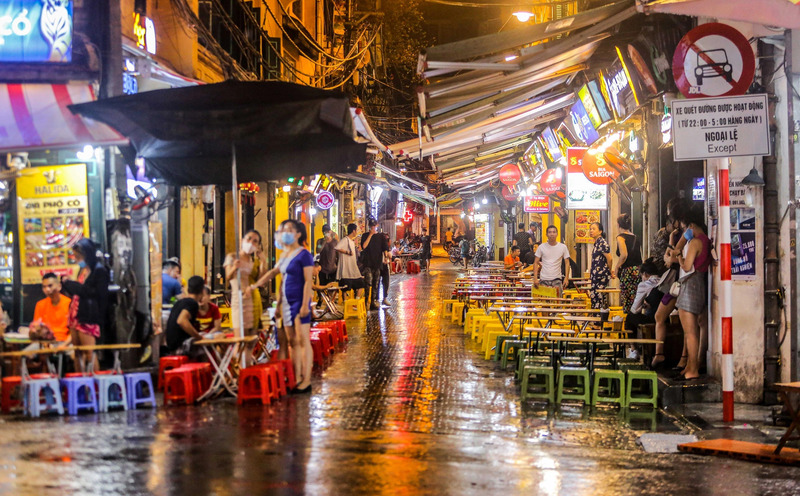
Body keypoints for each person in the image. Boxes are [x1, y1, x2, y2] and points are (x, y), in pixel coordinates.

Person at [274, 219, 314, 394]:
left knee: (303, 341)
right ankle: (296, 377)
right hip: (287, 304)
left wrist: (305, 304)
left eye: (289, 230)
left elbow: (308, 282)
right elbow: (282, 282)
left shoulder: (304, 255)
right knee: (293, 342)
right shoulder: (285, 256)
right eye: (283, 230)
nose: (284, 233)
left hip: (300, 302)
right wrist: (279, 304)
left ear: (298, 234)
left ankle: (306, 380)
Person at [61, 238, 109, 373]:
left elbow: (96, 294)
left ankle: (94, 385)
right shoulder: (82, 270)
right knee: (77, 352)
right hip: (76, 312)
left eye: (79, 256)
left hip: (88, 315)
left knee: (89, 352)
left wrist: (72, 285)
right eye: (75, 256)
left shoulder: (99, 271)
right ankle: (80, 383)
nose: (77, 259)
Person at [675, 206, 712, 381]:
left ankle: (693, 369)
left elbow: (687, 266)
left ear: (691, 225)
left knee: (690, 332)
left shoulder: (696, 242)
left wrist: (680, 258)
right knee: (693, 331)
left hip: (690, 285)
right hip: (700, 285)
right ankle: (690, 366)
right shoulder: (706, 240)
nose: (684, 232)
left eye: (684, 229)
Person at [652, 199, 688, 369]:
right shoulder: (678, 234)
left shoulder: (687, 233)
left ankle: (684, 359)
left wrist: (670, 255)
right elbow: (669, 255)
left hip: (682, 280)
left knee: (687, 322)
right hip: (675, 282)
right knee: (659, 316)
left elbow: (670, 258)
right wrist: (672, 241)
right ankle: (660, 354)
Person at [224, 230, 266, 337]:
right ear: (243, 240)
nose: (251, 242)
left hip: (253, 300)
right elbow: (227, 277)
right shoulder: (232, 257)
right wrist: (234, 267)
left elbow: (261, 281)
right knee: (240, 339)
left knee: (252, 340)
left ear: (257, 246)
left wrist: (263, 263)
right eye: (249, 239)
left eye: (255, 241)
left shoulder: (254, 261)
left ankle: (249, 355)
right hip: (239, 300)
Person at [165, 276, 205, 355]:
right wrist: (198, 337)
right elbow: (181, 320)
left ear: (188, 289)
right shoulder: (192, 303)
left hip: (171, 346)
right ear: (202, 291)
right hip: (180, 347)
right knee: (208, 347)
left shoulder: (180, 302)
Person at [29, 273, 72, 344]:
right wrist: (45, 344)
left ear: (59, 286)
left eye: (50, 286)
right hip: (45, 342)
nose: (47, 289)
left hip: (65, 342)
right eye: (44, 287)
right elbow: (37, 329)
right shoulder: (40, 305)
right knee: (26, 354)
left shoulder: (69, 304)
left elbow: (74, 332)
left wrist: (63, 346)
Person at [612, 213, 643, 312]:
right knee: (636, 298)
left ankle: (628, 321)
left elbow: (624, 254)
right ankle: (635, 320)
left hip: (628, 271)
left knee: (627, 298)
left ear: (618, 225)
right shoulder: (635, 237)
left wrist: (617, 267)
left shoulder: (621, 237)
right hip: (638, 270)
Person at [624, 258, 663, 333]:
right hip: (665, 317)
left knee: (630, 317)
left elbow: (634, 309)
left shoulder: (644, 285)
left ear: (644, 274)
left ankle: (632, 344)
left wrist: (641, 306)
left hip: (653, 318)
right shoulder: (662, 281)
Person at [360, 219, 389, 310]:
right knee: (367, 283)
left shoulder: (381, 237)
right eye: (371, 226)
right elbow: (364, 246)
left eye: (374, 226)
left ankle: (373, 302)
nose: (372, 227)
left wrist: (386, 258)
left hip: (377, 263)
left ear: (377, 225)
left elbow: (385, 249)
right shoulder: (365, 235)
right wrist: (370, 235)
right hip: (367, 263)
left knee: (376, 283)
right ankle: (365, 303)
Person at [532, 225, 571, 291]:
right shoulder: (541, 247)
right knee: (544, 301)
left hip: (557, 279)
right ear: (546, 234)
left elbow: (567, 263)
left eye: (554, 232)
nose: (552, 234)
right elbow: (535, 262)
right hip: (544, 279)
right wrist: (535, 278)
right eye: (550, 232)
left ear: (557, 234)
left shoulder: (563, 247)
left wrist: (566, 278)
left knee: (557, 300)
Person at [335, 223, 366, 299]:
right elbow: (337, 248)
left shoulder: (351, 242)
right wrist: (347, 252)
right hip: (345, 271)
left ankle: (356, 300)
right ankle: (346, 304)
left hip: (353, 270)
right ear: (353, 231)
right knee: (345, 289)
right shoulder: (345, 240)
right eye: (356, 230)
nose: (356, 232)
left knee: (361, 284)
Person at [588, 222, 613, 309]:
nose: (591, 231)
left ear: (600, 231)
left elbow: (609, 258)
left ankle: (600, 317)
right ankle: (596, 317)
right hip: (596, 275)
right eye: (590, 229)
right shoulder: (597, 243)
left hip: (601, 275)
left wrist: (610, 271)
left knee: (599, 296)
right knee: (594, 295)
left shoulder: (602, 243)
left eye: (594, 229)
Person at [379, 233, 391, 306]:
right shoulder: (378, 245)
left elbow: (388, 253)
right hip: (379, 264)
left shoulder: (386, 246)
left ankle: (384, 298)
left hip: (384, 265)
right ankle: (377, 299)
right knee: (377, 282)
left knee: (386, 281)